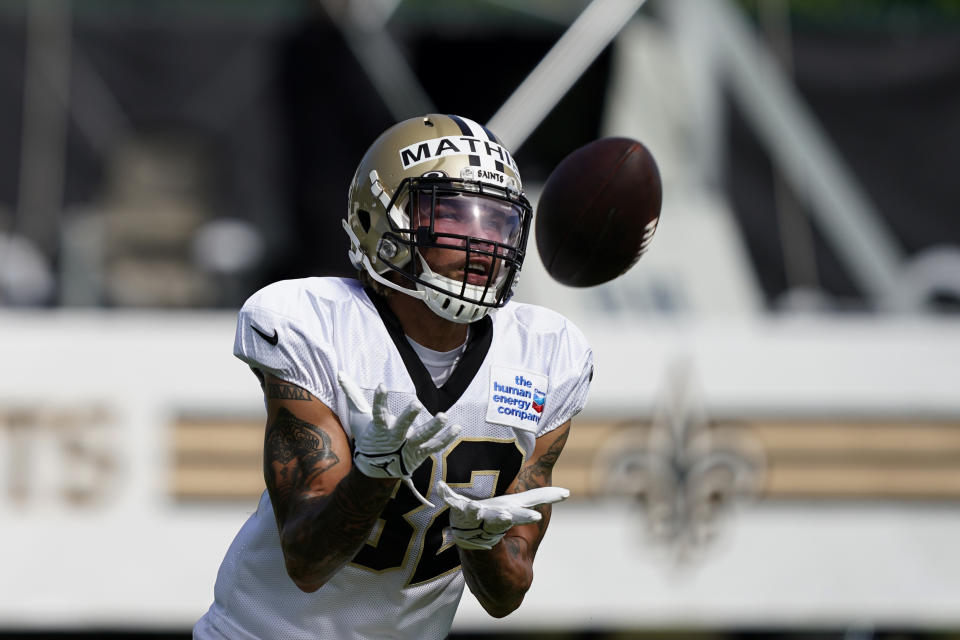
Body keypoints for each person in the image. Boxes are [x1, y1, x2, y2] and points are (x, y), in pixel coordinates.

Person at [193, 114, 593, 639]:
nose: (482, 245)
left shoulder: (548, 352)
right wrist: (375, 473)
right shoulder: (312, 322)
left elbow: (506, 595)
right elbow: (307, 562)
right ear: (378, 220)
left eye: (495, 223)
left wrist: (480, 545)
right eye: (454, 218)